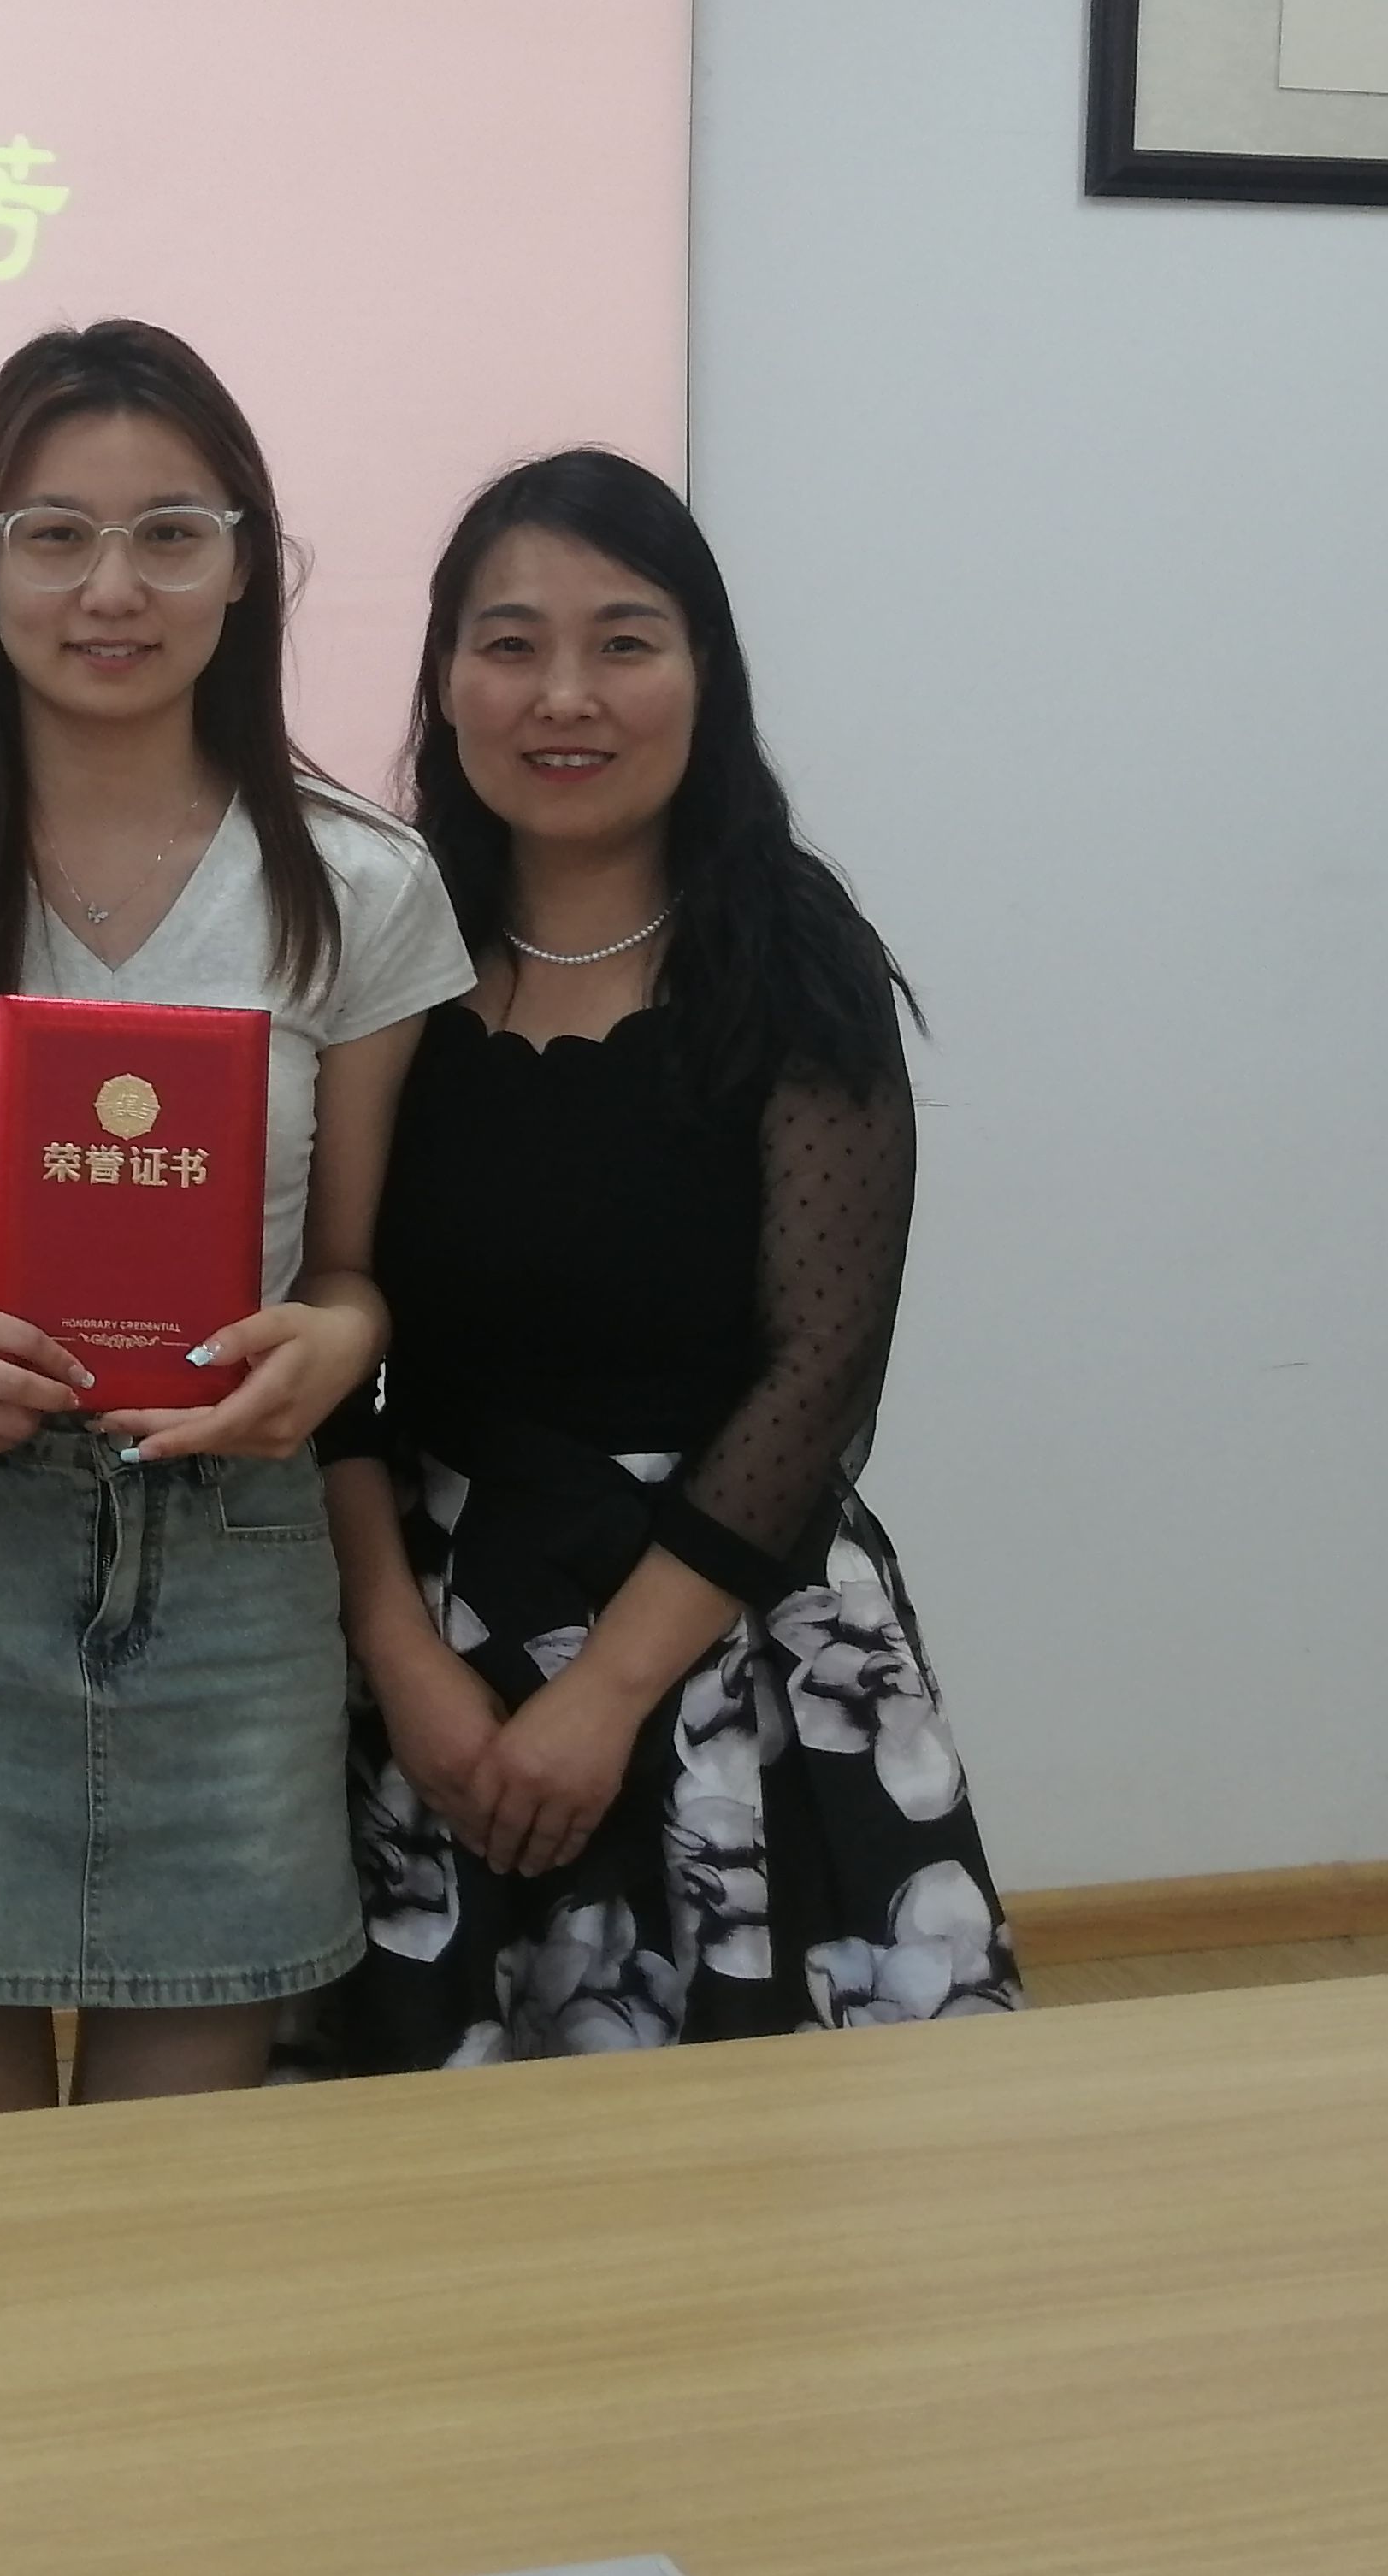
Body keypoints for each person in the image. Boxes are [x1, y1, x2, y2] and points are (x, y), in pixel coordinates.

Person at [0, 321, 475, 2119]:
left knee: (180, 2206)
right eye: (54, 534)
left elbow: (353, 1279)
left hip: (230, 1560)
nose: (111, 588)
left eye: (170, 533)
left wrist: (335, 1345)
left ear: (243, 566)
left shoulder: (361, 881)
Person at [320, 449, 1016, 2067]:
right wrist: (400, 1658)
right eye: (510, 644)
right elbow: (321, 1320)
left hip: (734, 1641)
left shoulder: (791, 956)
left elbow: (820, 1367)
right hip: (436, 1639)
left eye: (624, 641)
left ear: (706, 672)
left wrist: (610, 1691)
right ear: (444, 681)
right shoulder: (379, 948)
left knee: (777, 2161)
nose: (564, 695)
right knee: (420, 2161)